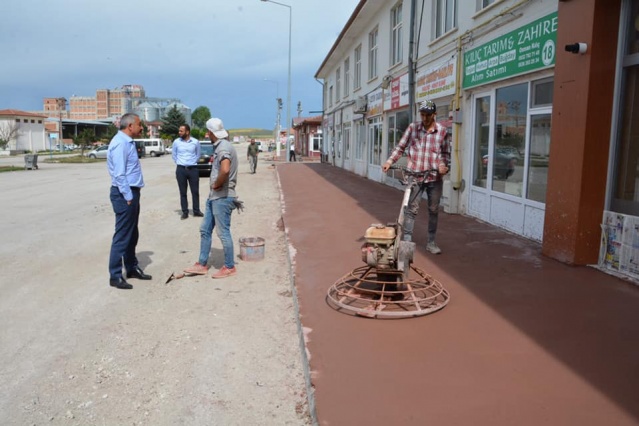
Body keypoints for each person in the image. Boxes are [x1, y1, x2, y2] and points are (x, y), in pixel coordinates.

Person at [382, 100, 450, 255]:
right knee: (411, 209)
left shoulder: (442, 131)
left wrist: (442, 166)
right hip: (415, 175)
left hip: (434, 177)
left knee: (433, 210)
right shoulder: (413, 128)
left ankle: (431, 242)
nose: (425, 118)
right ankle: (407, 240)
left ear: (434, 115)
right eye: (422, 115)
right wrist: (389, 161)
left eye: (428, 115)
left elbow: (445, 154)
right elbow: (401, 147)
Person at [184, 117, 239, 279]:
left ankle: (229, 266)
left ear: (210, 132)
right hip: (214, 197)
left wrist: (217, 184)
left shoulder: (223, 147)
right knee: (205, 229)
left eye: (208, 132)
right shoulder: (221, 146)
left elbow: (225, 168)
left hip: (222, 197)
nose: (207, 134)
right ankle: (202, 264)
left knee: (223, 232)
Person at [107, 113, 152, 289]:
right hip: (124, 194)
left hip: (131, 192)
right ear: (130, 126)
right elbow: (119, 174)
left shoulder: (127, 142)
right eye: (140, 125)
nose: (142, 128)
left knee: (132, 233)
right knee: (123, 235)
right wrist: (127, 196)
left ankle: (132, 267)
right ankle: (115, 275)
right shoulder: (120, 144)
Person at [172, 124, 203, 220]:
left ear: (187, 132)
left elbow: (198, 155)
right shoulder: (176, 142)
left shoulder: (195, 142)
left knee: (195, 191)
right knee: (183, 192)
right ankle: (184, 212)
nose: (179, 132)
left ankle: (196, 210)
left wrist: (192, 162)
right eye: (179, 131)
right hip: (181, 169)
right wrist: (180, 163)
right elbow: (174, 155)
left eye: (181, 131)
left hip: (193, 169)